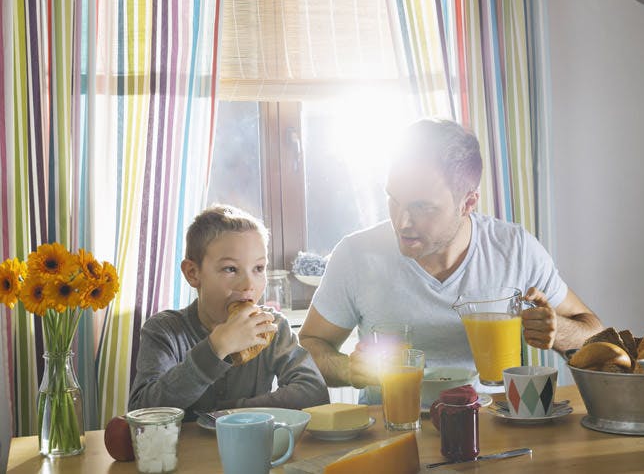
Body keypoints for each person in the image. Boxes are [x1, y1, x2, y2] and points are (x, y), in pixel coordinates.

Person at [299, 118, 603, 399]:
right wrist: (348, 370)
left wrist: (557, 331)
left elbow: (595, 334)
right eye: (394, 199)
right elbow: (309, 344)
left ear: (467, 202)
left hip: (494, 429)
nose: (402, 222)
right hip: (392, 431)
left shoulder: (514, 250)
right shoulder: (356, 254)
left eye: (422, 207)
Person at [129, 205, 329, 420]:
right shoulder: (164, 330)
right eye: (230, 269)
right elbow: (143, 411)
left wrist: (230, 411)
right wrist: (215, 349)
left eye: (258, 268)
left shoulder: (271, 326)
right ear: (193, 273)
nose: (248, 284)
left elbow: (314, 393)